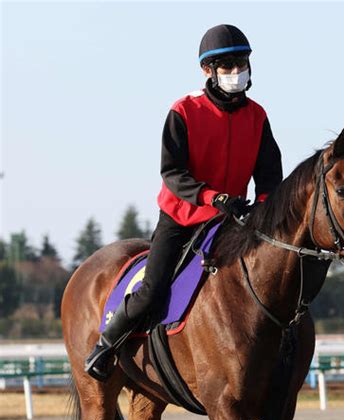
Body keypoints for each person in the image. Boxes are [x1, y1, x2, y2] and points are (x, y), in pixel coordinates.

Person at [85, 24, 283, 381]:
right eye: (227, 66)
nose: (236, 72)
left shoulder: (258, 116)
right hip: (182, 218)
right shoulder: (184, 112)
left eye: (241, 64)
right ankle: (107, 343)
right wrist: (213, 197)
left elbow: (269, 174)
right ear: (208, 71)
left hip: (231, 222)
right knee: (153, 290)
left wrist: (264, 208)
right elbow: (172, 173)